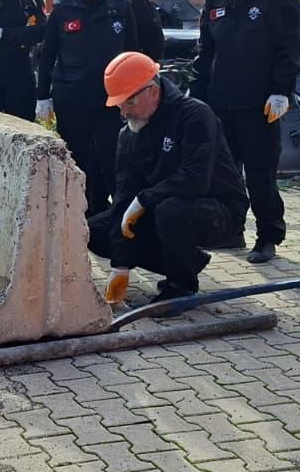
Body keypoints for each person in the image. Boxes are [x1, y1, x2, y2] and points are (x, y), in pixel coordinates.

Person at [90, 52, 249, 306]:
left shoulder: (195, 116)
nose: (123, 112)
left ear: (152, 92)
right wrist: (121, 265)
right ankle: (187, 261)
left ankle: (180, 286)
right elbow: (123, 196)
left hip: (218, 209)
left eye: (128, 103)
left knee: (171, 210)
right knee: (96, 229)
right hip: (161, 206)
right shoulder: (129, 134)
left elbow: (195, 179)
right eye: (120, 105)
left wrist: (144, 199)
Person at [190, 0, 300, 265]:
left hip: (259, 106)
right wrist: (198, 96)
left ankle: (268, 236)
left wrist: (281, 91)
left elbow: (289, 50)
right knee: (223, 173)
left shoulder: (276, 0)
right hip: (220, 102)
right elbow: (205, 52)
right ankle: (229, 228)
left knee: (260, 175)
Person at [35, 0, 139, 213]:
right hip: (72, 99)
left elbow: (133, 57)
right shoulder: (63, 10)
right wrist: (42, 96)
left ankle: (118, 220)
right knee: (78, 161)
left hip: (110, 101)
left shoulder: (122, 9)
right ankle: (81, 217)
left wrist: (134, 98)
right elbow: (47, 57)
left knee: (113, 160)